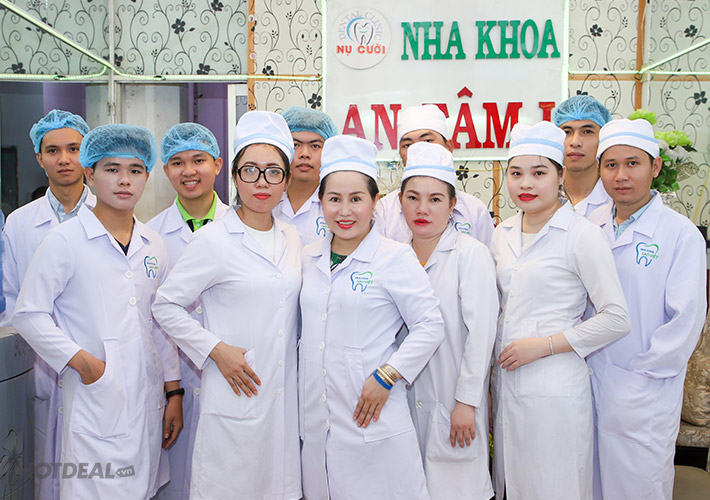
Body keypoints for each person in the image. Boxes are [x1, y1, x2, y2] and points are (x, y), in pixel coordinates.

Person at [12, 124, 182, 500]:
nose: (124, 180)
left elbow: (159, 322)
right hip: (96, 397)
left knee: (143, 488)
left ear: (147, 176)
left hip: (148, 398)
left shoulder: (153, 243)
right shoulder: (64, 241)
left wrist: (174, 392)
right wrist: (85, 364)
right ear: (90, 173)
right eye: (111, 169)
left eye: (135, 170)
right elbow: (28, 314)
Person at [152, 111, 302, 500]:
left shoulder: (293, 239)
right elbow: (165, 305)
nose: (261, 182)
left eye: (273, 172)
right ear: (234, 176)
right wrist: (216, 350)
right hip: (236, 395)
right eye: (250, 170)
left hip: (283, 404)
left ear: (286, 181)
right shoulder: (214, 240)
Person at [299, 134, 445, 500]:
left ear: (375, 202)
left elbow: (431, 325)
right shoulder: (306, 258)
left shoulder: (393, 257)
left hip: (374, 416)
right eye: (334, 199)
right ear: (321, 202)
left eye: (356, 199)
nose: (344, 211)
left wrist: (388, 374)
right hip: (319, 421)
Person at [490, 121, 630, 500]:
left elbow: (616, 318)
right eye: (516, 173)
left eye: (539, 173)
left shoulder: (582, 235)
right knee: (513, 485)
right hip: (507, 384)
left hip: (556, 387)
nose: (526, 184)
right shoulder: (501, 233)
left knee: (554, 486)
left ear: (560, 175)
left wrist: (545, 345)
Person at [587, 118, 707, 500]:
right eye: (611, 165)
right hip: (589, 384)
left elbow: (685, 320)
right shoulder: (587, 226)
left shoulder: (680, 234)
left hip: (644, 392)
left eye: (633, 163)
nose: (621, 175)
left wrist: (640, 377)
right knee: (588, 485)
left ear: (655, 166)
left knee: (637, 488)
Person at [1, 109, 95, 500]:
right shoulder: (19, 223)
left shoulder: (111, 215)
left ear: (87, 154)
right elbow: (12, 300)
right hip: (38, 369)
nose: (64, 159)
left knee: (95, 476)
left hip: (94, 362)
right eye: (53, 151)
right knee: (41, 475)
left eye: (74, 149)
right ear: (39, 158)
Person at [400, 142, 497, 500]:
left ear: (453, 204)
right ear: (400, 202)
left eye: (435, 199)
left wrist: (467, 402)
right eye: (413, 198)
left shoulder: (471, 255)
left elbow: (481, 336)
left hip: (455, 404)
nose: (422, 209)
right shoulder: (395, 257)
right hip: (406, 405)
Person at [149, 122, 229, 500]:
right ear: (165, 170)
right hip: (175, 381)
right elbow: (153, 319)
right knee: (177, 482)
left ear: (218, 164)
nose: (189, 171)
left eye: (199, 160)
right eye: (177, 163)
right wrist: (173, 391)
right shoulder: (151, 236)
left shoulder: (242, 228)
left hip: (229, 375)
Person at [374, 104, 494, 245]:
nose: (419, 149)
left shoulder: (475, 210)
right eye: (407, 145)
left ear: (448, 147)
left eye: (428, 141)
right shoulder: (383, 211)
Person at [273, 106, 338, 244]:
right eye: (296, 145)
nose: (305, 154)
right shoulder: (267, 199)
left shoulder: (337, 204)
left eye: (315, 146)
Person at [553, 95, 613, 217]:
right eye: (567, 132)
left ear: (603, 138)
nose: (575, 142)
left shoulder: (616, 198)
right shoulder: (544, 195)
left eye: (587, 132)